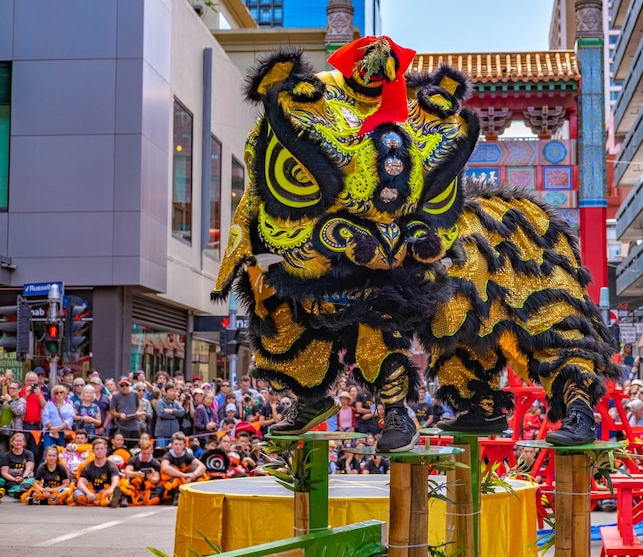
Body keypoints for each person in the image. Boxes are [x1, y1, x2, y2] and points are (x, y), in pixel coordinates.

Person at [211, 36, 617, 453]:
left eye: (381, 74)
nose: (372, 78)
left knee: (501, 304)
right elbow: (270, 174)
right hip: (322, 234)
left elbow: (427, 170)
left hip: (401, 237)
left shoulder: (409, 109)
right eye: (364, 72)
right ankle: (311, 397)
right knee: (281, 301)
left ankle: (569, 406)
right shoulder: (316, 100)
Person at [73, 437, 123, 507]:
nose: (99, 451)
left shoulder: (111, 466)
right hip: (92, 492)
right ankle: (103, 500)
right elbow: (80, 483)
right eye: (97, 449)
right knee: (76, 494)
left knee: (121, 489)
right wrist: (88, 493)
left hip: (106, 491)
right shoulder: (88, 466)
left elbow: (115, 479)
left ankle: (111, 500)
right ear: (93, 451)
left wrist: (111, 489)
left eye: (101, 449)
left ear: (105, 450)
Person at [160, 432, 206, 505]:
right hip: (174, 481)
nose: (178, 447)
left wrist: (193, 475)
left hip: (187, 479)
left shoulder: (186, 455)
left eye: (180, 444)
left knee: (195, 468)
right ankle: (176, 497)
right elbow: (165, 467)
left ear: (184, 445)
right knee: (172, 471)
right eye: (176, 444)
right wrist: (183, 476)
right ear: (172, 445)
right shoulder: (168, 455)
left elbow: (202, 466)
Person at [121, 440, 164, 506]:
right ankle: (125, 499)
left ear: (152, 452)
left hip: (148, 486)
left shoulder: (155, 463)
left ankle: (145, 498)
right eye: (144, 453)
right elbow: (127, 472)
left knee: (160, 487)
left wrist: (151, 478)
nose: (146, 456)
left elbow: (157, 478)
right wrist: (137, 474)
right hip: (135, 484)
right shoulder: (134, 460)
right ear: (140, 451)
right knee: (125, 482)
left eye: (148, 454)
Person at [0, 432, 35, 500]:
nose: (18, 443)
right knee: (6, 484)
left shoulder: (29, 453)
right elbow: (4, 472)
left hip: (25, 479)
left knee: (32, 480)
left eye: (20, 441)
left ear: (24, 443)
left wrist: (23, 478)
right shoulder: (6, 455)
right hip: (11, 480)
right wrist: (14, 479)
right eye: (16, 441)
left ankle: (23, 490)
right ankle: (18, 492)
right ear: (12, 442)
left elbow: (29, 468)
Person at [111, 376, 146, 442]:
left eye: (126, 385)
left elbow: (138, 406)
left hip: (134, 425)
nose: (125, 387)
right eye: (122, 385)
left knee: (134, 447)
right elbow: (112, 411)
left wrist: (137, 412)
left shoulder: (134, 394)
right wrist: (119, 415)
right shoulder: (115, 396)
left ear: (129, 385)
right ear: (119, 386)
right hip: (121, 426)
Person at [41, 384, 75, 452]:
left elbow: (70, 420)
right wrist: (52, 428)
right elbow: (44, 417)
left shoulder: (69, 406)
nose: (59, 394)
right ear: (54, 395)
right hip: (49, 432)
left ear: (64, 393)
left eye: (61, 392)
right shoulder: (49, 404)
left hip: (63, 432)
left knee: (62, 452)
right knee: (48, 450)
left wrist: (57, 428)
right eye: (56, 393)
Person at [154, 383, 184, 448]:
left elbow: (182, 412)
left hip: (174, 434)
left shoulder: (176, 403)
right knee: (160, 452)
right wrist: (175, 416)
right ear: (166, 392)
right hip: (161, 433)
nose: (172, 393)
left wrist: (172, 411)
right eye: (170, 391)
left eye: (174, 391)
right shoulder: (160, 402)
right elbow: (161, 413)